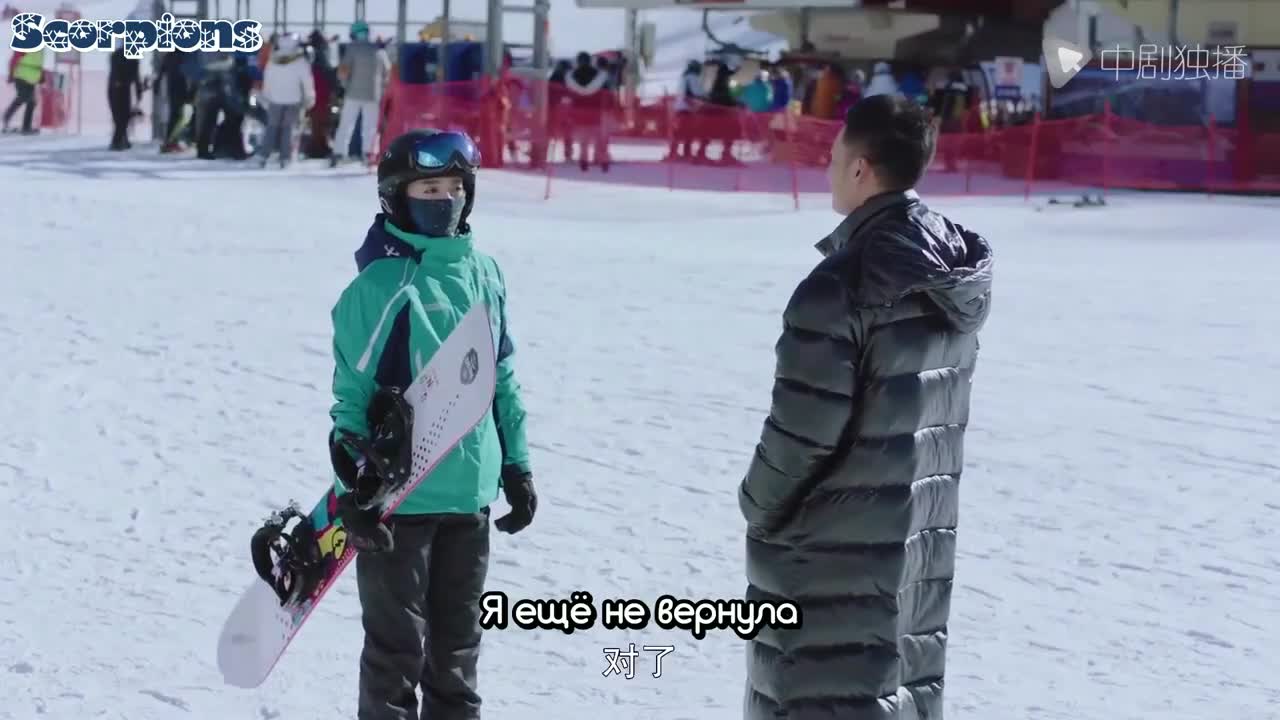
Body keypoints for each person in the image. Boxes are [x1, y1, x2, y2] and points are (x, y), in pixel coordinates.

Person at [739, 94, 993, 720]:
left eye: (833, 157)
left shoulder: (840, 287)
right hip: (913, 541)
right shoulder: (952, 269)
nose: (827, 170)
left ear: (860, 168)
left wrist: (756, 504)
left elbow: (801, 435)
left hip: (830, 556)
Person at [328, 129, 537, 720]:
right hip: (402, 502)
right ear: (397, 196)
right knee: (395, 657)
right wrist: (352, 495)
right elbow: (351, 399)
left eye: (453, 187)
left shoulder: (485, 273)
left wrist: (517, 465)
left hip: (470, 497)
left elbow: (501, 378)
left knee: (457, 657)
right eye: (427, 188)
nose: (443, 199)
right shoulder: (378, 286)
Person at [330, 20, 391, 166]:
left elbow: (343, 72)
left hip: (353, 93)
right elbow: (387, 73)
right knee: (370, 126)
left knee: (346, 125)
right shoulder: (379, 50)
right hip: (373, 94)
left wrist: (343, 85)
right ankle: (368, 154)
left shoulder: (352, 49)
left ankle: (339, 154)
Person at [257, 32, 315, 168]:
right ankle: (285, 157)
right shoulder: (300, 61)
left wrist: (266, 96)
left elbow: (267, 80)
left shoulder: (273, 59)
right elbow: (307, 82)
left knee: (271, 127)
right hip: (294, 99)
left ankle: (264, 155)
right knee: (288, 129)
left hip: (274, 99)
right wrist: (310, 97)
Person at [107, 45, 142, 150]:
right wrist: (138, 92)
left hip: (116, 87)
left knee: (120, 116)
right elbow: (136, 76)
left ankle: (122, 140)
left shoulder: (116, 54)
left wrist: (138, 91)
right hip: (121, 87)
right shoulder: (130, 57)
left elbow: (135, 76)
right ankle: (117, 141)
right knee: (123, 116)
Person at [4, 47, 44, 135]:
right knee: (28, 100)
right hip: (21, 76)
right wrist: (11, 74)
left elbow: (38, 63)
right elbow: (14, 60)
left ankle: (9, 118)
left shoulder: (40, 49)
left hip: (32, 79)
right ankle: (24, 127)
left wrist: (41, 76)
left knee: (27, 100)